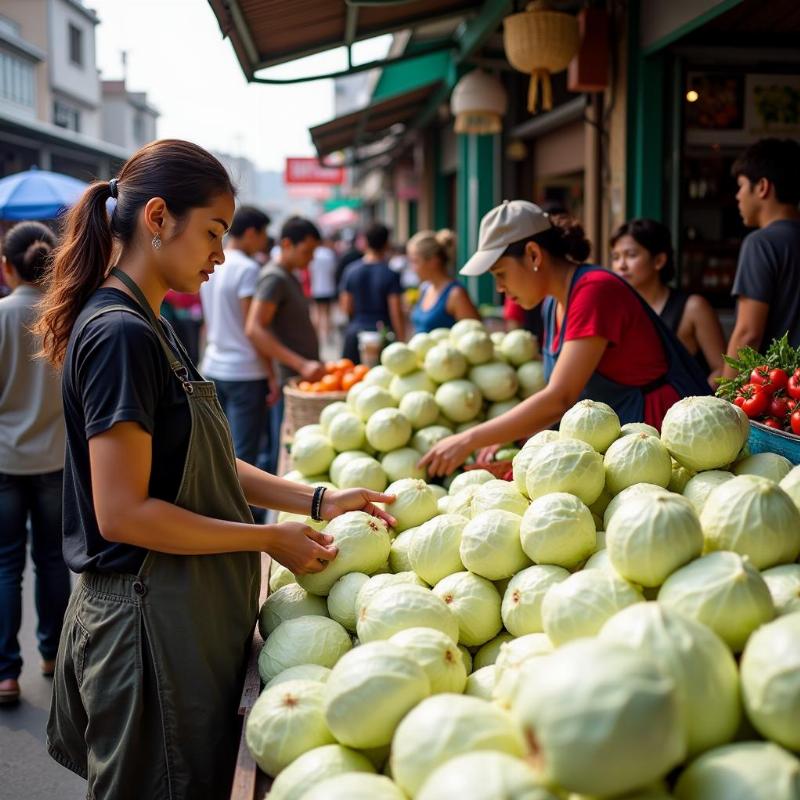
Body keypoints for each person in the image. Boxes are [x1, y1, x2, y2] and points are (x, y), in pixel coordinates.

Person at [36, 139, 395, 799]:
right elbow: (124, 512)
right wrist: (267, 538)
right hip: (145, 628)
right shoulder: (121, 334)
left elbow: (201, 462)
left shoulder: (153, 323)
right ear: (157, 218)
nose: (220, 255)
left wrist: (317, 499)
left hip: (175, 618)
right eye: (213, 232)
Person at [420, 200, 710, 477]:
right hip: (617, 438)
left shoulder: (594, 290)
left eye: (501, 273)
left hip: (658, 440)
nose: (500, 288)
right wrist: (511, 434)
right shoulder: (552, 303)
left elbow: (560, 397)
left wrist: (469, 439)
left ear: (533, 255)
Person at [0, 221, 71, 706]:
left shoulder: (1, 315)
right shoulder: (64, 316)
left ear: (6, 266)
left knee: (6, 567)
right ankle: (53, 655)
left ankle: (5, 674)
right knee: (51, 561)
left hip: (5, 461)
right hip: (54, 458)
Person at [200, 204, 278, 472]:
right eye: (263, 234)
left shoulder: (211, 262)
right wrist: (271, 374)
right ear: (252, 233)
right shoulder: (248, 269)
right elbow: (252, 328)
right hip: (245, 371)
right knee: (244, 454)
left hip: (213, 366)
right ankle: (244, 514)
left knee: (219, 447)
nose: (265, 241)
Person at [246, 216, 326, 470]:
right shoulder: (274, 278)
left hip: (298, 379)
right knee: (285, 454)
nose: (311, 259)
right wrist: (301, 364)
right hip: (288, 380)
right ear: (287, 244)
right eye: (307, 252)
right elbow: (254, 328)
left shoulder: (289, 275)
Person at [611, 218, 726, 386]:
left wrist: (696, 404)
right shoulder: (615, 310)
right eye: (615, 257)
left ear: (659, 261)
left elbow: (722, 369)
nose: (621, 265)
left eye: (631, 255)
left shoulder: (694, 308)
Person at [723, 138, 800, 376]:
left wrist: (722, 395)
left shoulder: (760, 243)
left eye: (741, 185)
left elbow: (748, 333)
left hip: (778, 393)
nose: (737, 196)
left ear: (762, 187)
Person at [340, 222, 405, 362]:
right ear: (387, 243)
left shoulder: (351, 271)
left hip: (355, 333)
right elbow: (396, 312)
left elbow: (346, 307)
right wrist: (401, 340)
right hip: (383, 335)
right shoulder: (391, 274)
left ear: (366, 242)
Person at [408, 229, 480, 333]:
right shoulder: (424, 288)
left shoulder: (456, 294)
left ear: (433, 261)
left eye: (415, 261)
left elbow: (475, 337)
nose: (412, 268)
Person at [309, 235, 338, 340]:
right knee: (327, 313)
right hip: (328, 287)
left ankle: (315, 335)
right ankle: (327, 335)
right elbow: (333, 270)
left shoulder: (314, 254)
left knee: (317, 312)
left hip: (316, 287)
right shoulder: (329, 254)